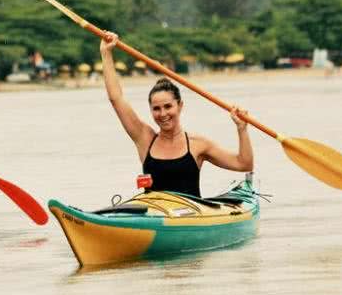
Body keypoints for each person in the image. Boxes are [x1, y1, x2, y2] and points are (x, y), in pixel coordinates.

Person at [99, 32, 253, 197]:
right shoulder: (145, 139)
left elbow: (243, 164)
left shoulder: (198, 144)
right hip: (153, 217)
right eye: (156, 109)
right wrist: (106, 53)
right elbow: (116, 99)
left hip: (191, 217)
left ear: (180, 106)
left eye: (168, 106)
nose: (163, 114)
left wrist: (241, 129)